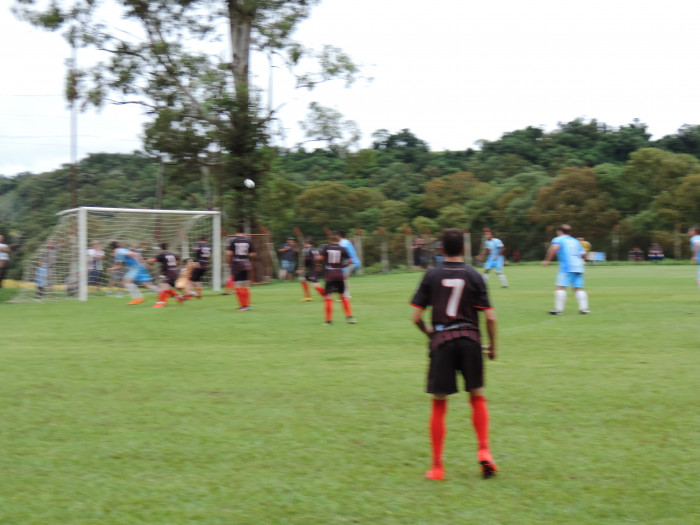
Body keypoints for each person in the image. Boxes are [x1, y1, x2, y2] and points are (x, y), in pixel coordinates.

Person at [410, 228, 498, 481]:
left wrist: (430, 333)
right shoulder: (474, 275)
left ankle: (437, 467)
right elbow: (490, 317)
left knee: (439, 403)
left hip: (442, 343)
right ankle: (484, 450)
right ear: (464, 248)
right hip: (470, 341)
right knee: (477, 397)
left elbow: (416, 317)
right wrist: (492, 346)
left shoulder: (431, 275)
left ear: (441, 249)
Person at [542, 224, 589, 315]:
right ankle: (584, 309)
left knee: (560, 287)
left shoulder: (558, 239)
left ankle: (558, 310)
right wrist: (585, 257)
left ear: (559, 231)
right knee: (578, 288)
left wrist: (547, 260)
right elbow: (583, 255)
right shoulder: (575, 241)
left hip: (567, 267)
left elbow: (553, 249)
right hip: (579, 267)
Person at [318, 231, 355, 324]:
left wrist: (317, 261)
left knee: (328, 296)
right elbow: (351, 260)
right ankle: (350, 317)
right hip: (339, 273)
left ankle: (328, 321)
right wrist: (344, 265)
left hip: (330, 274)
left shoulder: (326, 247)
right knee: (343, 296)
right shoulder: (342, 248)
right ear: (338, 239)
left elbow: (320, 258)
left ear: (330, 239)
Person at [226, 224, 256, 311]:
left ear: (236, 230)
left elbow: (229, 253)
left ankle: (243, 306)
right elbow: (253, 254)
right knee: (245, 285)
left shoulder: (233, 240)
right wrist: (246, 255)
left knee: (238, 285)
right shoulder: (248, 240)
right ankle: (247, 305)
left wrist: (229, 262)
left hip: (237, 264)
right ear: (244, 230)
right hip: (246, 263)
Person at [147, 243, 185, 307]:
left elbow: (153, 260)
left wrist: (148, 260)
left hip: (168, 272)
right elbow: (179, 259)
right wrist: (175, 265)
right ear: (167, 248)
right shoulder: (172, 254)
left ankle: (160, 303)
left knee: (163, 287)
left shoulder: (162, 254)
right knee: (166, 288)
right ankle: (179, 297)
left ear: (161, 248)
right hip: (173, 271)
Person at [299, 237, 325, 301]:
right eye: (304, 243)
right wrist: (304, 268)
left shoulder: (311, 250)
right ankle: (308, 297)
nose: (304, 244)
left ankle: (326, 296)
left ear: (310, 244)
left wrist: (318, 266)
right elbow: (308, 260)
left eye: (306, 243)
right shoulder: (308, 250)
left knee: (315, 284)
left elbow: (314, 260)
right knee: (302, 279)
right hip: (312, 269)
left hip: (314, 269)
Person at [338, 230, 361, 298]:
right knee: (343, 278)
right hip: (355, 262)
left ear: (338, 236)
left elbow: (342, 252)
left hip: (351, 263)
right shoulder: (347, 241)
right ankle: (346, 295)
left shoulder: (342, 243)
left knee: (342, 278)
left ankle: (345, 296)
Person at [689, 226, 700, 290]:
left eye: (690, 231)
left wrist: (694, 256)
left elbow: (697, 245)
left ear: (695, 232)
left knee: (699, 280)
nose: (688, 232)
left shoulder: (694, 238)